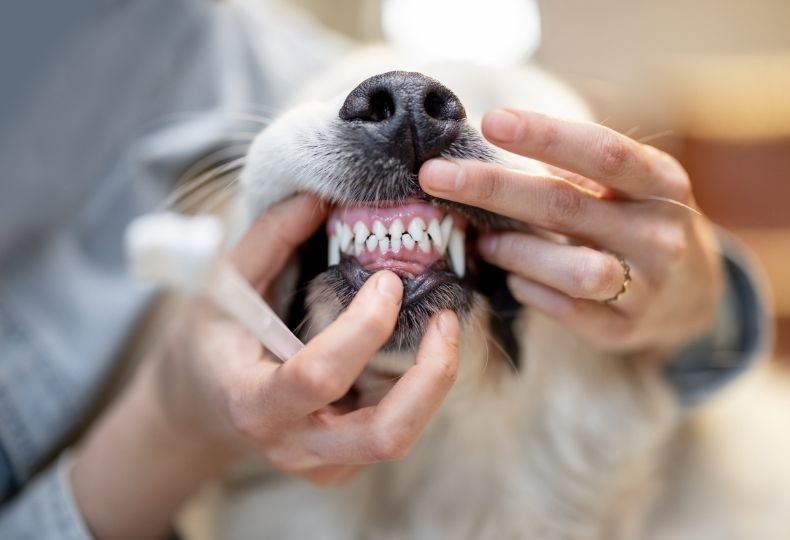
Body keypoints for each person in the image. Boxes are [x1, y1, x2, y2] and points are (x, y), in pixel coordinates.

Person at [0, 0, 767, 538]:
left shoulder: (215, 41)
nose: (409, 106)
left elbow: (652, 250)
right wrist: (172, 416)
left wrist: (695, 294)